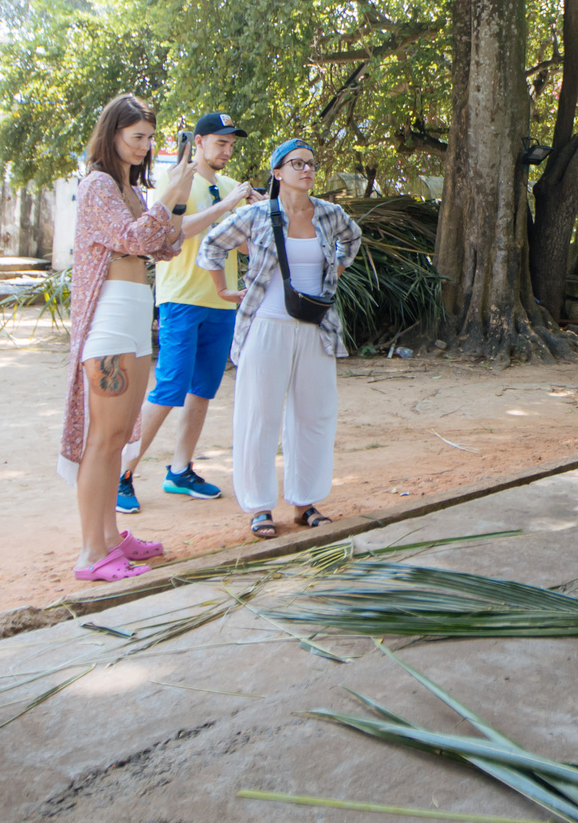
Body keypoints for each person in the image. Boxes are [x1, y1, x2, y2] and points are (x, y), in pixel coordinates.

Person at [61, 93, 199, 580]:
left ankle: (110, 538)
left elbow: (166, 244)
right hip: (110, 315)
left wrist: (177, 195)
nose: (144, 146)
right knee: (102, 438)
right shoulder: (98, 185)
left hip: (138, 310)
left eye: (149, 138)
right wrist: (166, 198)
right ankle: (90, 554)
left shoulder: (133, 190)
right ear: (112, 134)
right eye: (136, 136)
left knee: (120, 436)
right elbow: (137, 239)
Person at [199, 140, 361, 540]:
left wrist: (335, 270)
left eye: (310, 163)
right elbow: (211, 244)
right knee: (259, 415)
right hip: (266, 325)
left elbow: (352, 239)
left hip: (315, 327)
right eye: (296, 163)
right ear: (277, 172)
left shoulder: (329, 213)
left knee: (315, 414)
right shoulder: (256, 215)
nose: (305, 169)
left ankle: (305, 502)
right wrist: (222, 290)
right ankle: (259, 507)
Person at [117, 112, 254, 515]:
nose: (227, 151)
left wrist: (259, 216)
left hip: (221, 300)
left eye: (231, 145)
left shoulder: (230, 186)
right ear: (198, 142)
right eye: (220, 143)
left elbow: (241, 246)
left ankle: (180, 470)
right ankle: (123, 473)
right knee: (169, 388)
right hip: (180, 298)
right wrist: (228, 206)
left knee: (203, 390)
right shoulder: (176, 179)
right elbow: (172, 232)